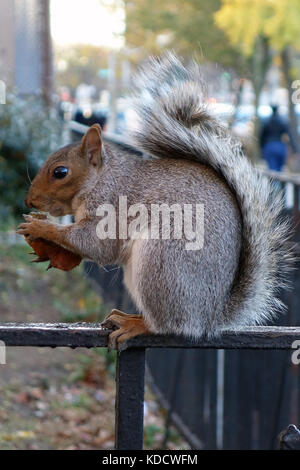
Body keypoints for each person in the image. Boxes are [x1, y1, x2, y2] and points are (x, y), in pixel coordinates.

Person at [260, 105, 296, 172]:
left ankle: (275, 182)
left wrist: (261, 149)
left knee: (272, 169)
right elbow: (290, 135)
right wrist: (294, 149)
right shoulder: (282, 122)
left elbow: (262, 137)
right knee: (279, 170)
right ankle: (278, 182)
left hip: (270, 146)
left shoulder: (266, 122)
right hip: (280, 147)